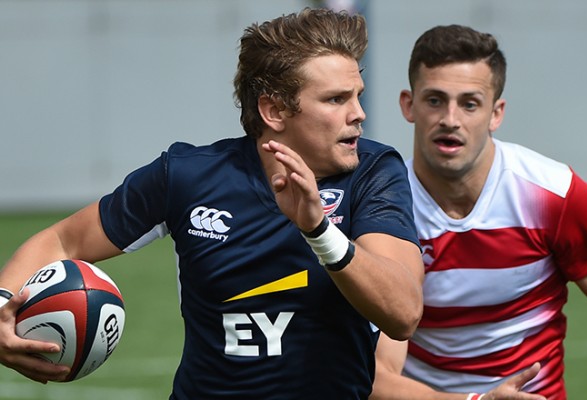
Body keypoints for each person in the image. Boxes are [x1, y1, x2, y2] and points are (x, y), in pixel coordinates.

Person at [0, 8, 427, 399]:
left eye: (357, 95)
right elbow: (62, 240)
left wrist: (320, 231)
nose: (359, 114)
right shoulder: (187, 175)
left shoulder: (373, 171)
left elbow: (402, 312)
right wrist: (2, 305)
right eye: (336, 99)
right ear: (274, 110)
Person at [371, 24, 587, 400]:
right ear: (408, 105)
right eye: (435, 100)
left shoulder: (553, 194)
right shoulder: (383, 208)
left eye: (470, 103)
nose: (450, 119)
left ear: (496, 113)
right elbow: (378, 374)